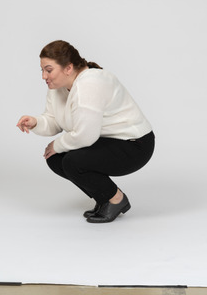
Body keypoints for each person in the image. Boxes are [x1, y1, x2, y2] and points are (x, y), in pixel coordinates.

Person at [17, 40, 155, 223]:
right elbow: (54, 121)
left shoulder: (90, 83)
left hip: (135, 144)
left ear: (68, 68)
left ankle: (116, 199)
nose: (44, 76)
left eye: (49, 70)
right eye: (42, 70)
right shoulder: (57, 88)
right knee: (56, 159)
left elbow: (85, 136)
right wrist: (36, 122)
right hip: (106, 140)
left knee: (73, 161)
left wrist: (56, 144)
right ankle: (104, 198)